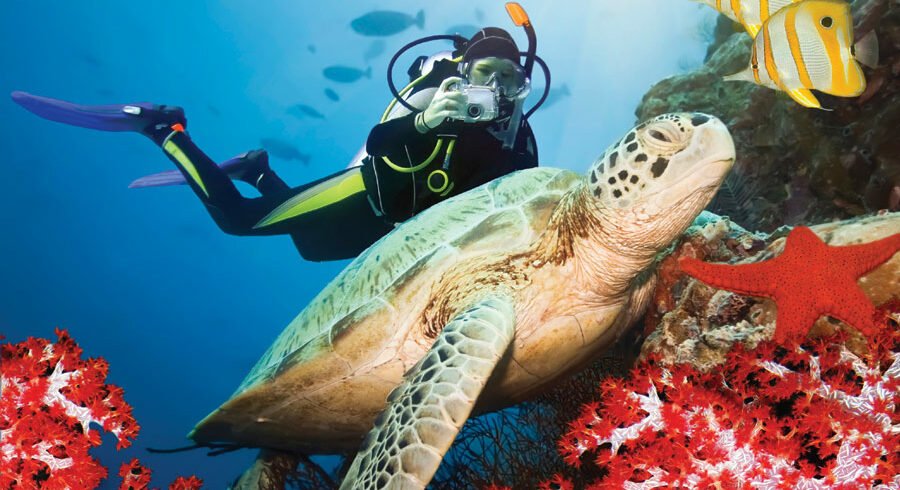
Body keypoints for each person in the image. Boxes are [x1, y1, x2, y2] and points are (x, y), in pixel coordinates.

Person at [12, 19, 547, 262]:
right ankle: (164, 127)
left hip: (393, 226)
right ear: (466, 68)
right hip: (370, 188)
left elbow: (519, 201)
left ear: (525, 83)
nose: (496, 88)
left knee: (311, 250)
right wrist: (429, 122)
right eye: (487, 72)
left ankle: (256, 168)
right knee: (240, 222)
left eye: (510, 79)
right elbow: (381, 139)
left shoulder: (521, 138)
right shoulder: (442, 91)